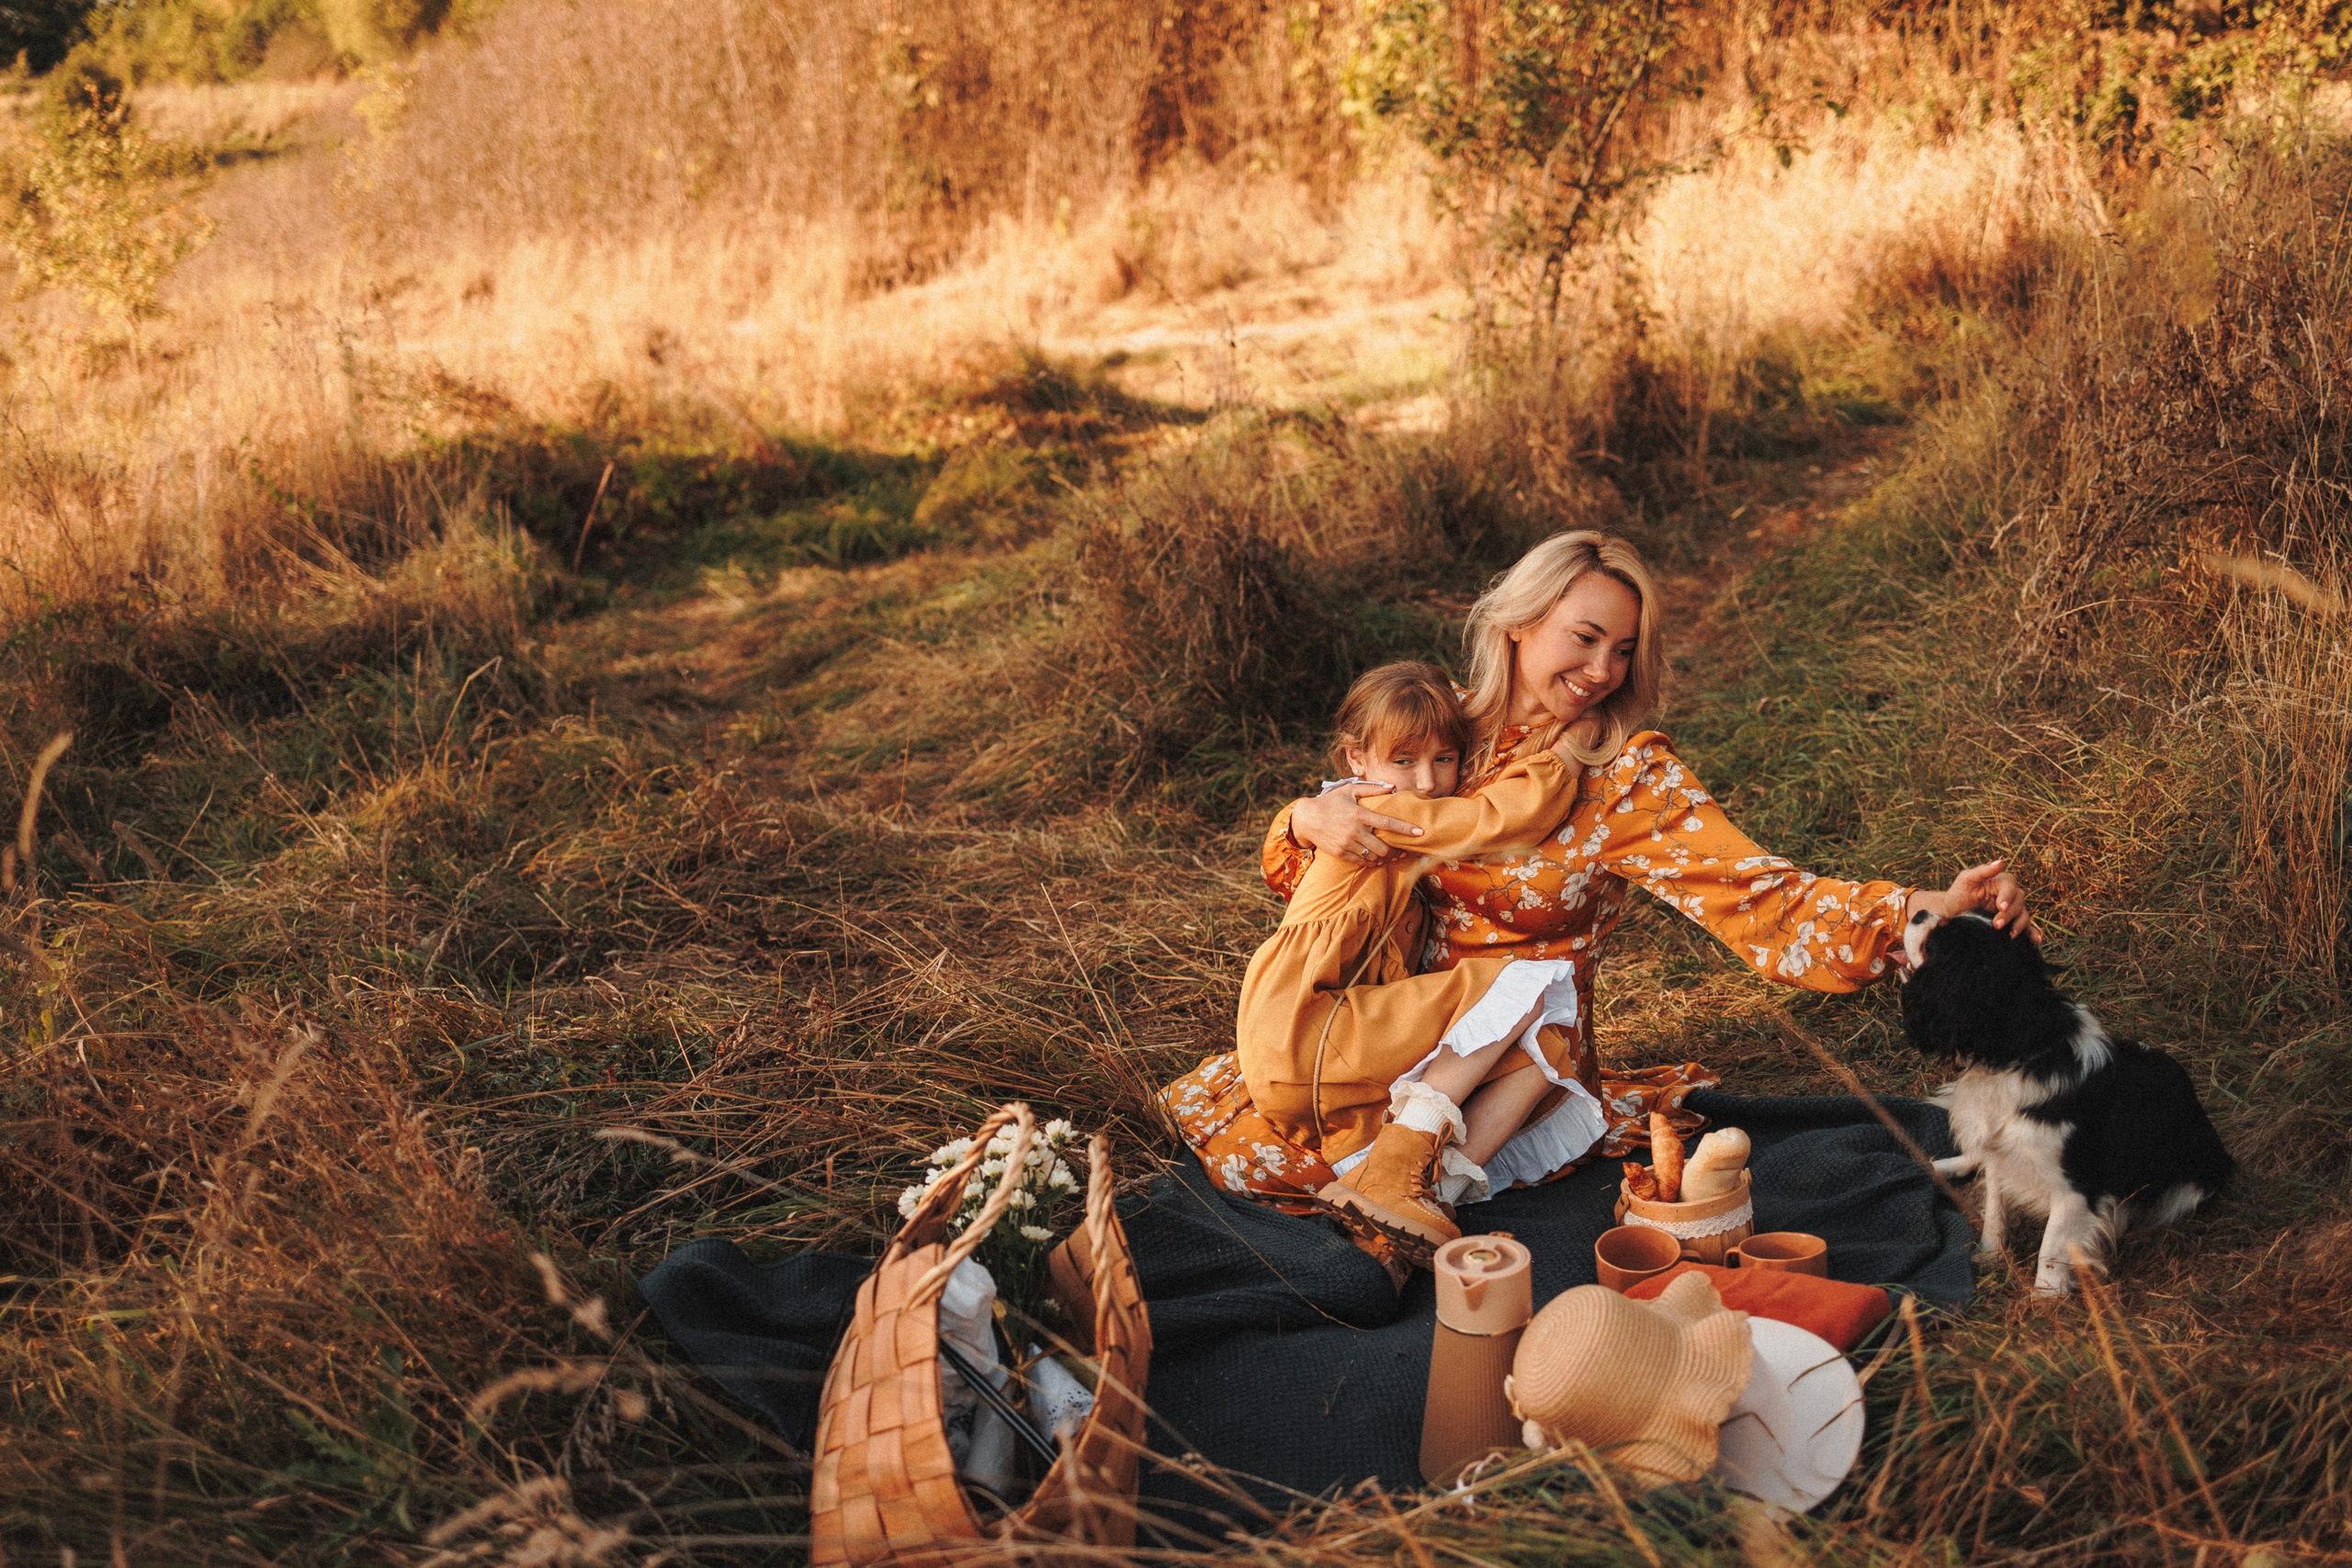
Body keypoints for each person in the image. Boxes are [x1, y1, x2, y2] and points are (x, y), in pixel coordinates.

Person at [1162, 530, 2036, 1221]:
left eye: (1622, 649)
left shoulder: (1623, 775)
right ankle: (1398, 1179)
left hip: (1517, 1059)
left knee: (1312, 1172)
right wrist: (1302, 817)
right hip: (1386, 1024)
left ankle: (1423, 1179)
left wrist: (1925, 912)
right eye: (1585, 638)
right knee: (1255, 1143)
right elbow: (1315, 884)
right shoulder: (1436, 738)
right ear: (1519, 623)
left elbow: (1762, 892)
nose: (1602, 672)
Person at [1233, 661, 1603, 1270]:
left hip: (1334, 1038)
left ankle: (1421, 1201)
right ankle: (1398, 1173)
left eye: (1444, 759)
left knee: (1548, 1049)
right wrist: (1569, 749)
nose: (1427, 782)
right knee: (1528, 980)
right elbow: (1506, 815)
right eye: (1404, 760)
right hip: (1301, 1026)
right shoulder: (1370, 813)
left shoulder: (1377, 809)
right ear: (1358, 761)